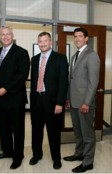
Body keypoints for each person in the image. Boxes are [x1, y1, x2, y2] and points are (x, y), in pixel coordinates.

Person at [0, 26, 30, 169]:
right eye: (2, 34)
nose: (5, 36)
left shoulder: (21, 53)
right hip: (0, 99)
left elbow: (22, 75)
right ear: (0, 37)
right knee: (3, 128)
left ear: (12, 35)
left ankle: (18, 156)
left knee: (18, 129)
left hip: (15, 99)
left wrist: (5, 89)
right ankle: (7, 151)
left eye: (8, 34)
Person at [29, 32, 69, 170]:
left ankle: (56, 158)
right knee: (36, 131)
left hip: (52, 103)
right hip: (36, 101)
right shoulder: (34, 60)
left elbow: (63, 83)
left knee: (53, 132)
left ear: (51, 42)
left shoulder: (60, 58)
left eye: (45, 41)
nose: (42, 44)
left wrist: (60, 103)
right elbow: (35, 80)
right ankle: (37, 155)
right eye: (40, 41)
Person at [63, 27, 100, 173]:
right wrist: (67, 98)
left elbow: (93, 82)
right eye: (75, 36)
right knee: (78, 132)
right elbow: (71, 80)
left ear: (86, 38)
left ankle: (88, 162)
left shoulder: (91, 55)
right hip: (73, 102)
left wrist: (87, 102)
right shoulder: (74, 56)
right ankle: (79, 154)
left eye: (80, 36)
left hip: (85, 103)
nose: (77, 39)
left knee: (88, 135)